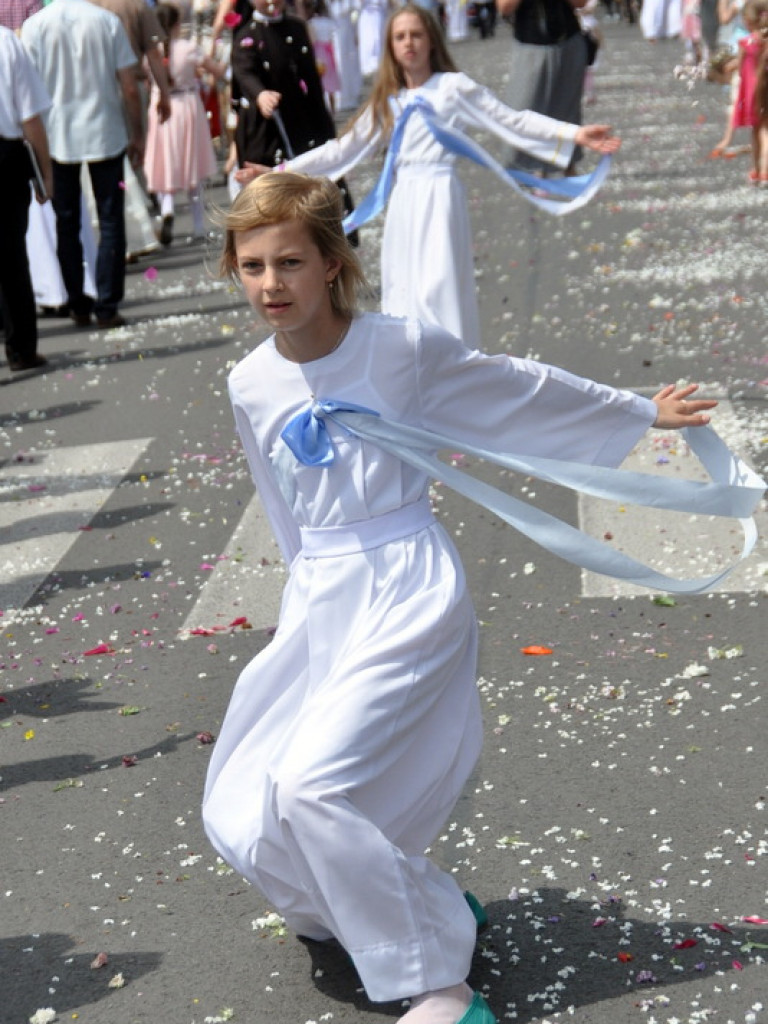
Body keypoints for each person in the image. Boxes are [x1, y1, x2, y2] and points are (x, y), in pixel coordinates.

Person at [201, 171, 719, 1024]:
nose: (270, 284)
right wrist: (302, 610)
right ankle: (412, 906)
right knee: (241, 802)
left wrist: (635, 411)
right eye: (252, 266)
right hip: (323, 597)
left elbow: (509, 386)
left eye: (289, 262)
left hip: (407, 585)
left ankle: (440, 982)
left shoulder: (397, 348)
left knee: (309, 787)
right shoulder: (249, 382)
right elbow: (281, 503)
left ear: (331, 263)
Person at [235, 3, 620, 343]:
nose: (409, 43)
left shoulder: (452, 88)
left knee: (440, 284)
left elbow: (510, 120)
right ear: (391, 46)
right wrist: (279, 171)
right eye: (400, 37)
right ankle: (410, 363)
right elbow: (342, 150)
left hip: (440, 194)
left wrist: (574, 133)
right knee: (404, 285)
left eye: (416, 35)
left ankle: (450, 363)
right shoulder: (388, 101)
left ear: (431, 40)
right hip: (404, 200)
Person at [21, 0, 144, 330]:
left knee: (66, 222)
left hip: (56, 134)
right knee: (110, 219)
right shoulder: (105, 21)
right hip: (105, 130)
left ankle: (77, 300)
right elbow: (129, 86)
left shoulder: (35, 26)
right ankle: (107, 303)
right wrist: (138, 132)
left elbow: (27, 87)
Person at [229, 0, 356, 224]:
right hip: (268, 126)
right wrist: (260, 94)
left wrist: (325, 127)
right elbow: (244, 73)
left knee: (315, 179)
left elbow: (311, 81)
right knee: (273, 193)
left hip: (303, 117)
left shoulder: (297, 28)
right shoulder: (246, 36)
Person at [144, 2, 225, 244]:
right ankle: (198, 225)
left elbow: (148, 81)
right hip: (187, 105)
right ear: (177, 24)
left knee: (165, 160)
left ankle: (167, 207)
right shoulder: (188, 48)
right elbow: (216, 70)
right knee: (193, 164)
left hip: (161, 107)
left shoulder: (152, 52)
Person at [0, 24, 52, 371]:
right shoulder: (4, 41)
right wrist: (45, 172)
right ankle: (20, 349)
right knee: (11, 257)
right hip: (4, 158)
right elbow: (30, 115)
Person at [496, 0, 591, 172]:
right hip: (531, 46)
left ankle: (567, 169)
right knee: (523, 112)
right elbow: (504, 7)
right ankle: (528, 171)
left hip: (568, 41)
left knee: (566, 114)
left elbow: (580, 3)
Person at [731, 0, 768, 181]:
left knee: (755, 130)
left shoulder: (746, 42)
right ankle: (766, 171)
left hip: (752, 91)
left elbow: (739, 68)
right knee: (766, 131)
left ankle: (755, 169)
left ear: (747, 20)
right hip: (766, 87)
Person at [306, 0, 341, 115]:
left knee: (320, 80)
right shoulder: (329, 22)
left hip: (318, 51)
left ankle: (322, 109)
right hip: (329, 51)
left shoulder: (311, 23)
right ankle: (333, 108)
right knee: (331, 79)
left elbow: (312, 39)